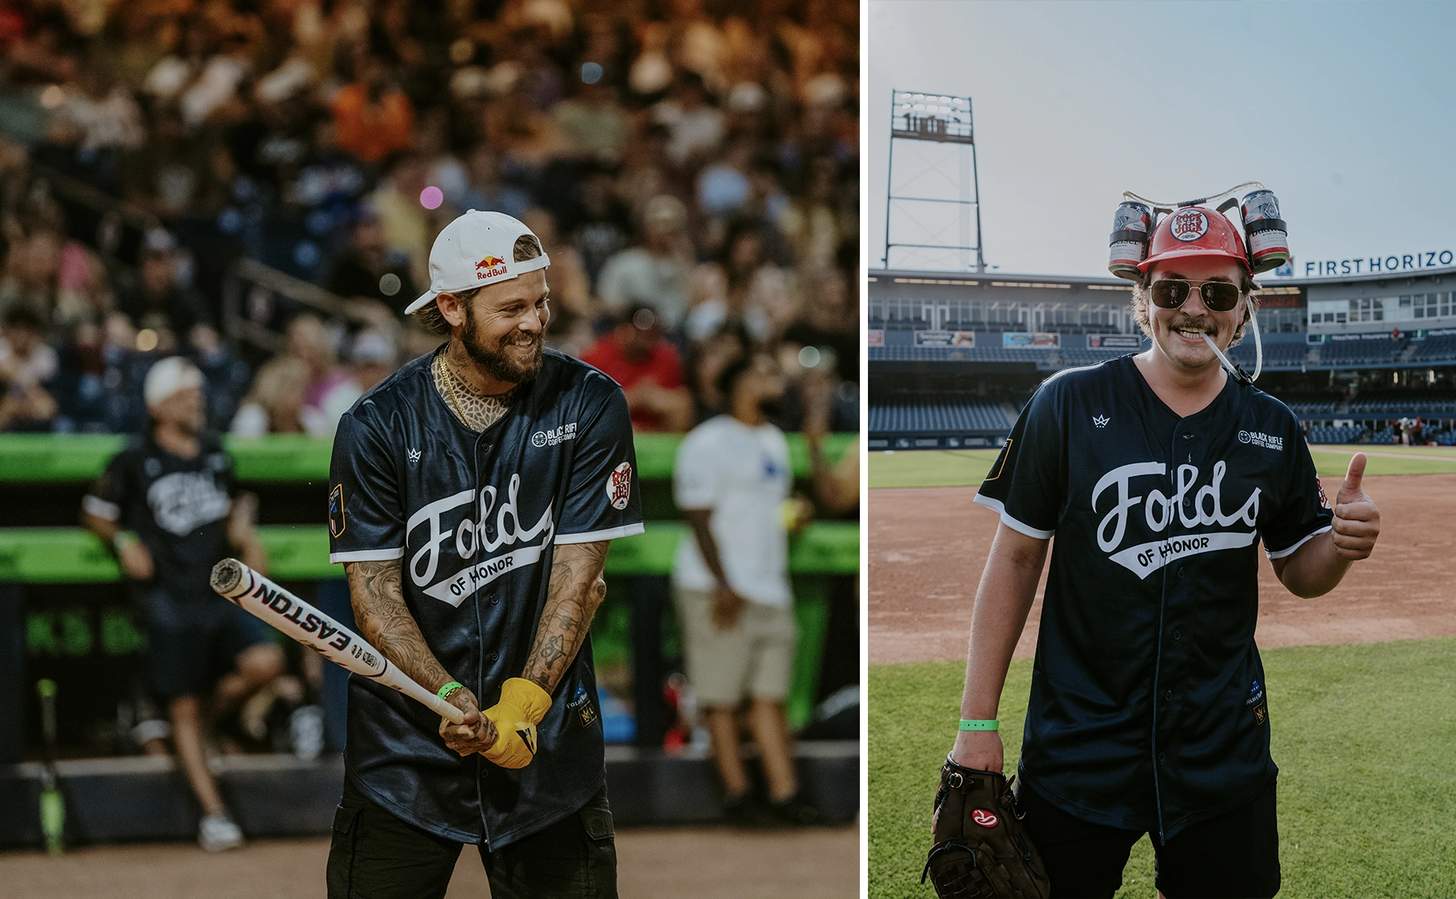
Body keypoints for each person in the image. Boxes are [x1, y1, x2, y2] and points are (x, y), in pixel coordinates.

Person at [945, 199, 1382, 898]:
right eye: (1172, 289)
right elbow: (1016, 560)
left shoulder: (1271, 426)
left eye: (1217, 292)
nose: (1194, 309)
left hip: (1222, 753)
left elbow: (1301, 569)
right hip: (1079, 749)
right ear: (1141, 299)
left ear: (1245, 308)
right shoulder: (1065, 404)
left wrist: (1341, 544)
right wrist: (976, 722)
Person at [325, 210, 643, 897]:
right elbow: (374, 593)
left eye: (542, 301)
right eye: (512, 307)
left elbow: (580, 583)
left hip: (544, 750)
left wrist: (522, 705)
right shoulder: (377, 424)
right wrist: (445, 694)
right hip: (406, 752)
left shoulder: (590, 403)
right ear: (452, 308)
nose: (535, 321)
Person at [80, 356, 282, 852]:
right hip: (169, 598)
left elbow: (236, 510)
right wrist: (124, 540)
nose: (197, 401)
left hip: (218, 593)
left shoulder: (215, 453)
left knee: (266, 662)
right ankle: (213, 813)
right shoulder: (134, 458)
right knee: (184, 707)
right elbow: (94, 511)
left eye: (197, 393)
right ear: (158, 406)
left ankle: (200, 724)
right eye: (186, 395)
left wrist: (247, 537)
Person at [671, 351, 825, 827]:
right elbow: (697, 515)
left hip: (769, 586)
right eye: (763, 372)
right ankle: (738, 796)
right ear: (737, 383)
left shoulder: (774, 439)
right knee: (720, 697)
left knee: (769, 697)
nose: (774, 380)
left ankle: (784, 794)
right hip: (716, 586)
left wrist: (793, 517)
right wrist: (724, 583)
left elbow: (760, 511)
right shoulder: (708, 441)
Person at [580, 304, 693, 432]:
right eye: (640, 332)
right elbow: (586, 408)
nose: (647, 337)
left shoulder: (667, 356)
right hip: (610, 433)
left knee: (683, 402)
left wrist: (654, 397)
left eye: (653, 332)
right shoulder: (596, 356)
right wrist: (633, 398)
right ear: (622, 329)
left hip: (655, 431)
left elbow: (679, 401)